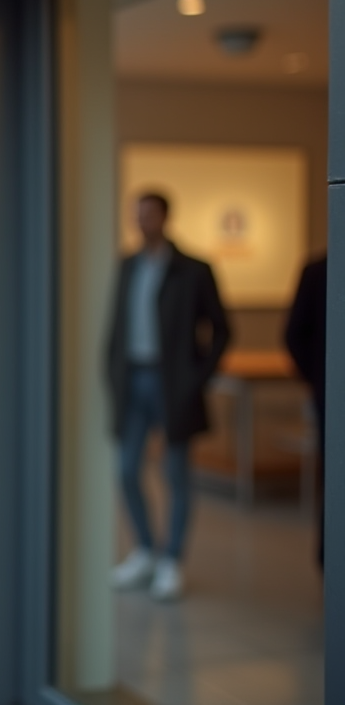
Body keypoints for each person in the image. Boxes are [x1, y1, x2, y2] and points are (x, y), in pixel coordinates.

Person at [107, 192, 229, 601]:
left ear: (164, 218)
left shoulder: (192, 270)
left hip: (171, 383)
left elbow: (221, 329)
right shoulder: (127, 267)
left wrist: (198, 378)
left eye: (149, 216)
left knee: (176, 474)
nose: (142, 223)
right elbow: (117, 326)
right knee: (126, 469)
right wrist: (110, 374)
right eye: (136, 216)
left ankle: (171, 559)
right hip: (133, 379)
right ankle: (145, 548)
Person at [284, 254, 327, 568]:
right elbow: (294, 334)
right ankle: (330, 558)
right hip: (330, 395)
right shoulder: (319, 271)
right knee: (334, 476)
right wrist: (319, 379)